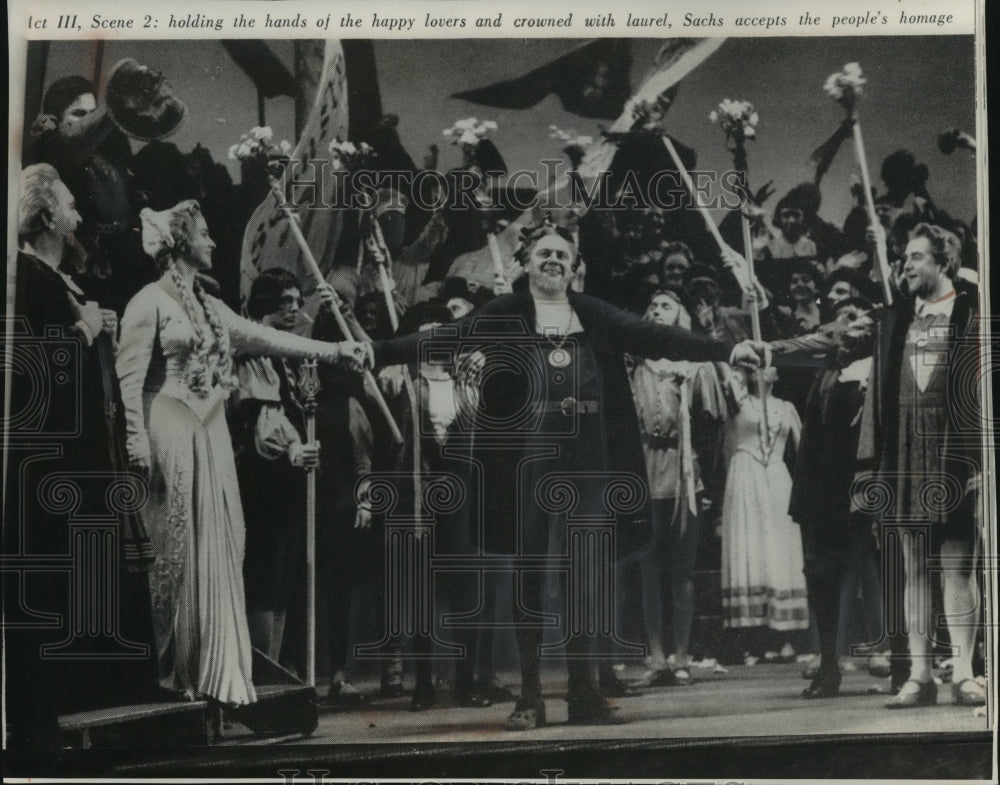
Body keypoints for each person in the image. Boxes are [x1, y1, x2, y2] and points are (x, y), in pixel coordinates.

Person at [368, 220, 767, 730]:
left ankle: (585, 694)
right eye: (543, 255)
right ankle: (530, 698)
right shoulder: (507, 312)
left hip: (590, 465)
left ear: (574, 269)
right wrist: (377, 351)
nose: (553, 260)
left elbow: (657, 335)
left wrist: (726, 349)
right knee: (530, 576)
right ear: (527, 266)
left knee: (587, 580)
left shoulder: (592, 313)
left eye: (562, 255)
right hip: (528, 463)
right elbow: (449, 337)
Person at [115, 200, 368, 706]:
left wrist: (334, 350)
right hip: (170, 422)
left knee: (225, 541)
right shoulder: (149, 301)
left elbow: (268, 337)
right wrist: (136, 438)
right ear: (182, 243)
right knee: (178, 547)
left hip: (209, 431)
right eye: (205, 234)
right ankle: (176, 672)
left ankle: (218, 673)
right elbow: (129, 373)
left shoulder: (210, 306)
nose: (213, 242)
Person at [5, 163, 149, 749]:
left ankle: (85, 702)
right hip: (51, 468)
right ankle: (51, 714)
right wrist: (86, 331)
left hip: (83, 462)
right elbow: (29, 372)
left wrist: (95, 328)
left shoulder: (55, 280)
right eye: (68, 204)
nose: (81, 214)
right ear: (44, 216)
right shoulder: (24, 275)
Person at [851, 223, 985, 708]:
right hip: (905, 456)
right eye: (904, 257)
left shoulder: (973, 313)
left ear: (943, 261)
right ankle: (920, 674)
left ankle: (966, 673)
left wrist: (982, 462)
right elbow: (876, 402)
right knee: (913, 569)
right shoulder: (893, 319)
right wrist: (871, 466)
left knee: (958, 566)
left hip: (954, 456)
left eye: (915, 256)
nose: (906, 265)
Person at [626, 289, 730, 686]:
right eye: (651, 304)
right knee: (648, 569)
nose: (655, 308)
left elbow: (711, 428)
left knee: (681, 571)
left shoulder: (694, 367)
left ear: (681, 317)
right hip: (644, 470)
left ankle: (682, 655)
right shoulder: (633, 363)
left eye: (665, 304)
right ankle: (655, 657)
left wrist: (704, 480)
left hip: (683, 472)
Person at [233, 270, 336, 664]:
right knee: (267, 574)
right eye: (284, 303)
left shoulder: (288, 353)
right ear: (265, 306)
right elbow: (264, 414)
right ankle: (263, 672)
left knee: (285, 577)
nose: (293, 309)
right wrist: (294, 447)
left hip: (288, 477)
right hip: (264, 476)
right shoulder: (256, 350)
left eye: (296, 301)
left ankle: (274, 669)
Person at [789, 296, 886, 697]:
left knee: (879, 571)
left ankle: (899, 663)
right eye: (839, 319)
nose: (843, 327)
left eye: (854, 319)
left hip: (863, 487)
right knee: (821, 574)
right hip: (822, 490)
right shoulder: (825, 372)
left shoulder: (878, 373)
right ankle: (829, 664)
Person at [720, 366, 809, 658]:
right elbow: (725, 375)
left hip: (777, 479)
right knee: (751, 551)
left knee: (780, 553)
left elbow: (805, 447)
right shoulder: (738, 402)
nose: (762, 368)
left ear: (779, 374)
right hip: (745, 477)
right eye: (755, 364)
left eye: (769, 362)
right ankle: (753, 639)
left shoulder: (786, 408)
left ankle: (785, 636)